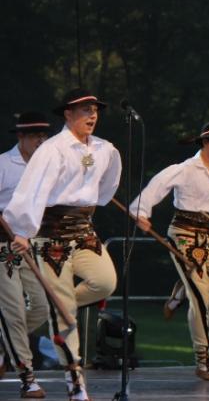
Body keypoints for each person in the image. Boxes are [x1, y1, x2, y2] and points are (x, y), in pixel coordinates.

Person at [4, 89, 121, 401]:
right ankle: (75, 381)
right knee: (60, 305)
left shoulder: (105, 148)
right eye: (85, 110)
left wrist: (92, 203)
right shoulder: (52, 149)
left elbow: (107, 187)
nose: (92, 115)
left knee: (105, 282)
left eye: (95, 110)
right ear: (68, 114)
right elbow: (32, 190)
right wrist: (22, 230)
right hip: (51, 234)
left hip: (83, 230)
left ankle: (61, 306)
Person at [130, 121, 209, 381]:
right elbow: (156, 187)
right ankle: (203, 362)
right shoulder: (184, 169)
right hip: (185, 234)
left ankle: (181, 290)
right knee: (201, 298)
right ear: (204, 142)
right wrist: (142, 212)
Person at [0, 112, 52, 398]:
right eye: (34, 135)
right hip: (3, 248)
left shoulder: (46, 167)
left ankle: (4, 342)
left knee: (43, 308)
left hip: (32, 244)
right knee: (15, 312)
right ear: (20, 136)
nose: (40, 140)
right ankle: (27, 377)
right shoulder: (3, 164)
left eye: (43, 135)